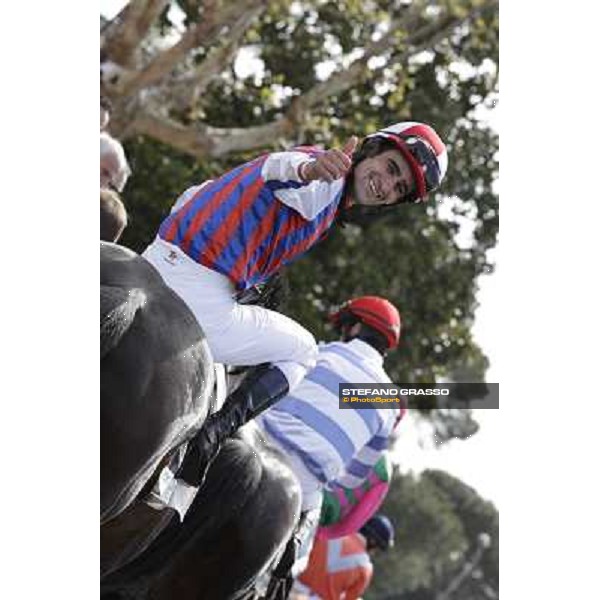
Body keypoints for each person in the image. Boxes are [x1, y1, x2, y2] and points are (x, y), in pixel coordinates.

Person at [145, 122, 447, 485]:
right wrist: (310, 171)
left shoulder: (327, 192)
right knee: (304, 351)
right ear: (371, 148)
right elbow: (279, 170)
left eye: (399, 189)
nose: (387, 186)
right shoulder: (325, 179)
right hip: (197, 296)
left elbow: (193, 195)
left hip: (154, 258)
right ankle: (209, 439)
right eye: (391, 168)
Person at [293, 514, 395, 600]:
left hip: (290, 588)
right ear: (373, 542)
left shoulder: (330, 531)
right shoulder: (366, 568)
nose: (374, 552)